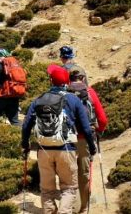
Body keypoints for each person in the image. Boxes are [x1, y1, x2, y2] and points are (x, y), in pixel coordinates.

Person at [22, 65, 96, 214]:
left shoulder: (39, 99)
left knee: (47, 189)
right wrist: (92, 147)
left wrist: (25, 144)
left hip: (43, 150)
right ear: (67, 82)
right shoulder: (73, 99)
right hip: (66, 149)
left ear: (51, 81)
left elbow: (26, 126)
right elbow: (86, 128)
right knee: (68, 187)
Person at [67, 67, 108, 213]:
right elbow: (102, 119)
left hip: (67, 139)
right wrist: (99, 130)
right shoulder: (90, 92)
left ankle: (70, 205)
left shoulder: (64, 93)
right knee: (84, 173)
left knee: (69, 172)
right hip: (85, 138)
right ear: (83, 78)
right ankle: (84, 206)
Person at [0, 49, 26, 125]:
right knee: (14, 121)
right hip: (14, 95)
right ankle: (22, 135)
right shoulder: (16, 66)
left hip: (0, 97)